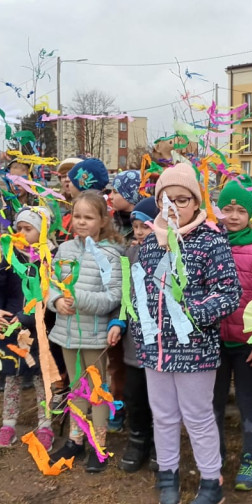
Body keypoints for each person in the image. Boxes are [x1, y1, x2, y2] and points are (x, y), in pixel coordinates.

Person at [138, 163, 241, 504]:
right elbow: (140, 294)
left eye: (183, 199)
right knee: (163, 415)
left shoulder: (211, 240)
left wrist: (191, 315)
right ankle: (168, 474)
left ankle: (211, 481)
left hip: (194, 349)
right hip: (155, 350)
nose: (175, 206)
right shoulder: (150, 242)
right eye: (167, 199)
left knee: (197, 417)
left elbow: (229, 293)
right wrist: (143, 330)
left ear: (196, 203)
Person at [46, 189, 124, 473]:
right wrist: (55, 301)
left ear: (102, 220)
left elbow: (114, 296)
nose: (80, 222)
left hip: (94, 334)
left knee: (97, 390)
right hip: (67, 333)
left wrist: (80, 300)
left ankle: (99, 445)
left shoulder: (111, 254)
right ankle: (76, 440)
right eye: (77, 216)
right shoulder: (65, 250)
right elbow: (52, 284)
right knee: (77, 387)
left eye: (88, 217)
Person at [211, 180, 252, 490]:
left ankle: (251, 457)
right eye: (227, 209)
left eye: (240, 210)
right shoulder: (210, 242)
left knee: (248, 401)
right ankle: (215, 455)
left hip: (248, 343)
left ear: (250, 213)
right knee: (214, 402)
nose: (233, 216)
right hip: (215, 342)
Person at [0, 206, 56, 451]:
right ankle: (8, 425)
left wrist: (24, 318)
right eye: (19, 228)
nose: (21, 233)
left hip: (39, 331)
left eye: (28, 229)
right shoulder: (10, 256)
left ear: (43, 230)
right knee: (12, 377)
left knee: (41, 379)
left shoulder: (51, 257)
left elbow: (47, 296)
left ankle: (45, 425)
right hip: (10, 330)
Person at [110, 196, 159, 473]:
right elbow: (125, 293)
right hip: (134, 340)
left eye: (146, 227)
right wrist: (118, 322)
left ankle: (157, 442)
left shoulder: (169, 253)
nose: (139, 232)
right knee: (134, 392)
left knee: (158, 395)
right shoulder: (129, 254)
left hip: (159, 338)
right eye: (136, 226)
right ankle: (137, 438)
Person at [106, 169, 142, 432]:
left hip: (139, 305)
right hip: (115, 300)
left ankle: (139, 411)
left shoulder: (146, 225)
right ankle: (118, 406)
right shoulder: (112, 225)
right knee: (116, 360)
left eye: (116, 191)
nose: (111, 196)